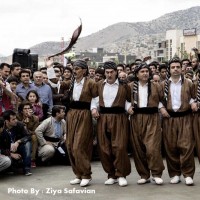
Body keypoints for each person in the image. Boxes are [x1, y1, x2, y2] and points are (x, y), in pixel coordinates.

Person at [91, 61, 131, 187]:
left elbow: (129, 101)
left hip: (119, 118)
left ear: (116, 72)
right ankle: (111, 175)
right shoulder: (99, 85)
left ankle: (121, 175)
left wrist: (129, 108)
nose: (109, 75)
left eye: (111, 72)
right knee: (104, 148)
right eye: (107, 73)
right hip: (103, 118)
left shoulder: (124, 86)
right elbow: (93, 100)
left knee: (119, 147)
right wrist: (93, 109)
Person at [160, 57, 197, 186]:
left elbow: (193, 97)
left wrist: (193, 103)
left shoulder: (188, 83)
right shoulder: (163, 84)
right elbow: (158, 100)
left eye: (177, 67)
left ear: (182, 68)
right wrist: (162, 108)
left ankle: (187, 174)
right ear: (169, 70)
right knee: (171, 147)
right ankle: (175, 174)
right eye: (172, 67)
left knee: (186, 146)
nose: (175, 69)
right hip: (169, 119)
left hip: (185, 118)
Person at [127, 63, 165, 185]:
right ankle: (144, 174)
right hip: (136, 118)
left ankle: (156, 173)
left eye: (146, 71)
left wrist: (162, 108)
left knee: (152, 148)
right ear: (137, 74)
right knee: (138, 148)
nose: (145, 73)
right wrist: (128, 108)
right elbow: (125, 101)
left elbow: (161, 100)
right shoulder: (130, 86)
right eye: (142, 71)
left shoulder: (156, 86)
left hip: (152, 117)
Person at [65, 59, 98, 187]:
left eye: (77, 68)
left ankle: (86, 174)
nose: (74, 70)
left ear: (84, 70)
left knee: (78, 146)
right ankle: (78, 174)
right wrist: (50, 67)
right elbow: (54, 83)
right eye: (74, 68)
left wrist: (94, 109)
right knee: (69, 145)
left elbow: (96, 98)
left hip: (84, 114)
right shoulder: (71, 83)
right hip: (72, 114)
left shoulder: (90, 83)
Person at [0, 110, 32, 175]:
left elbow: (28, 136)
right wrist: (11, 154)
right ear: (6, 121)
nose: (16, 120)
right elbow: (1, 148)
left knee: (27, 144)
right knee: (7, 161)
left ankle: (26, 168)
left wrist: (18, 142)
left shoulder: (19, 125)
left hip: (17, 147)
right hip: (6, 151)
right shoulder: (2, 129)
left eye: (16, 118)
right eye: (13, 119)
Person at [17, 101, 40, 168]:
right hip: (19, 136)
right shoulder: (17, 117)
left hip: (30, 136)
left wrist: (27, 125)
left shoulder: (35, 118)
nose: (27, 110)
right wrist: (23, 122)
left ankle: (32, 160)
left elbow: (35, 131)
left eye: (29, 108)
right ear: (21, 111)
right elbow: (17, 130)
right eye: (25, 109)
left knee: (34, 137)